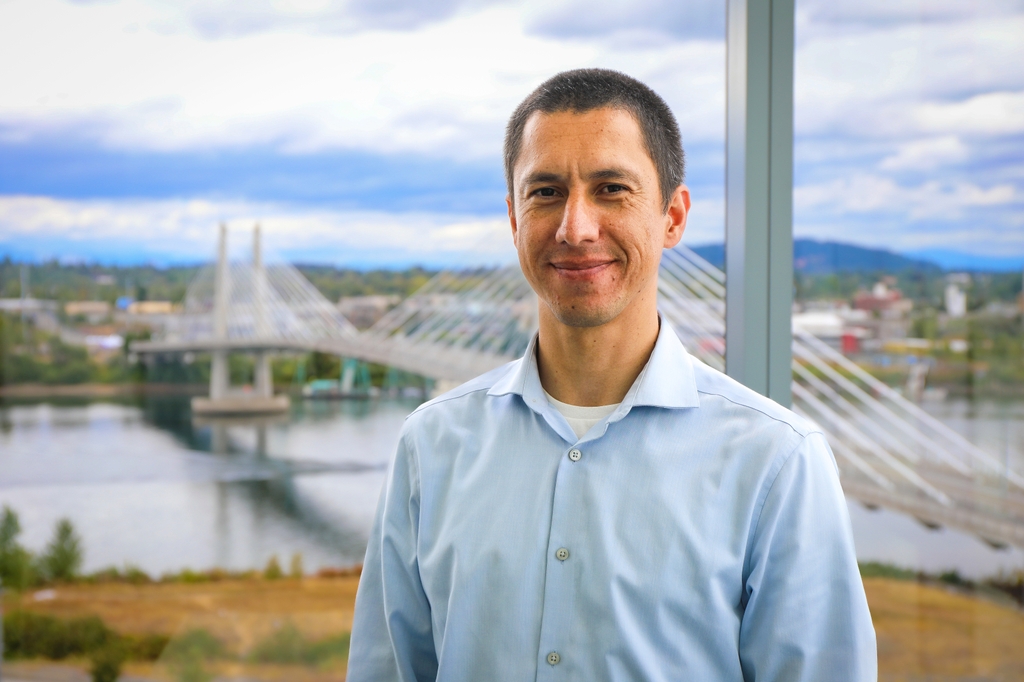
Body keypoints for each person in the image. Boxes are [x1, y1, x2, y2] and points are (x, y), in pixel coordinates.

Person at [348, 68, 876, 681]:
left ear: (673, 218)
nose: (576, 228)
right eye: (545, 191)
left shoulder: (777, 464)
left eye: (611, 189)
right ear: (515, 220)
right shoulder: (431, 446)